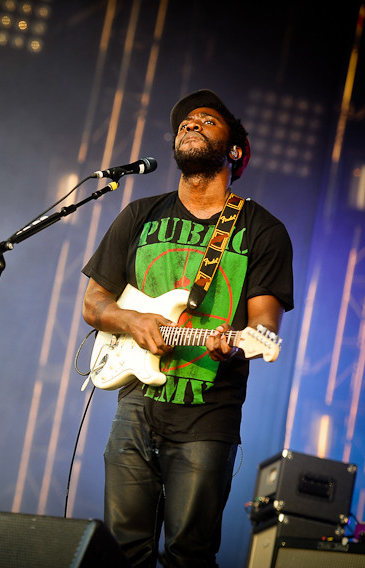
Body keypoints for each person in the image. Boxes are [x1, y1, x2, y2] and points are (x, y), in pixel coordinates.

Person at [81, 89, 293, 567]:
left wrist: (235, 347)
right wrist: (132, 319)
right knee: (122, 552)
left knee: (188, 555)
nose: (190, 124)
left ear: (235, 150)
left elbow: (262, 324)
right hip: (136, 404)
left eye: (206, 121)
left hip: (208, 416)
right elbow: (94, 303)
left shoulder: (262, 230)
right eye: (184, 122)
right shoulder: (139, 214)